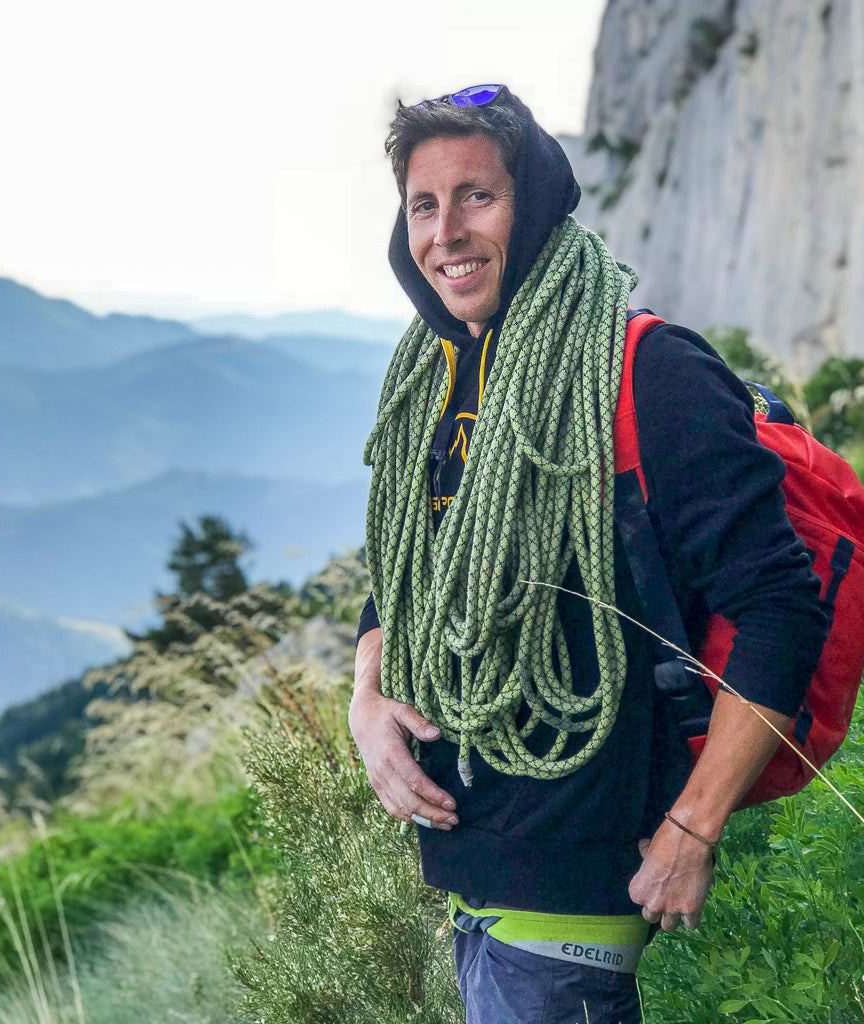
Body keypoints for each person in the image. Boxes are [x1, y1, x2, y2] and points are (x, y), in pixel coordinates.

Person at [350, 84, 828, 1024]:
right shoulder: (445, 377)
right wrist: (368, 694)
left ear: (532, 199)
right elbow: (409, 577)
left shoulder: (652, 373)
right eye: (423, 204)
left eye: (476, 196)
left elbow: (780, 606)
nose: (446, 231)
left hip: (577, 890)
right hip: (475, 872)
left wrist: (693, 826)